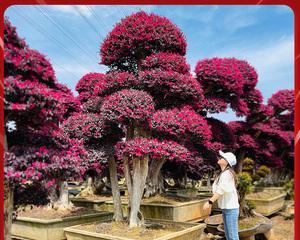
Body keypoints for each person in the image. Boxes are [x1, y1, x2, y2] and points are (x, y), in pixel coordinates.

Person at [203, 150, 240, 240]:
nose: (220, 158)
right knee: (229, 235)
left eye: (223, 157)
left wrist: (209, 202)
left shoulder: (227, 174)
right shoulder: (223, 174)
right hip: (227, 208)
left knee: (232, 236)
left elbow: (220, 191)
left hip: (231, 209)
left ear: (227, 162)